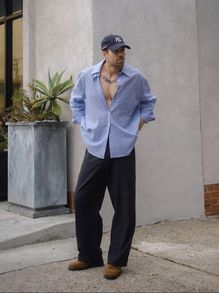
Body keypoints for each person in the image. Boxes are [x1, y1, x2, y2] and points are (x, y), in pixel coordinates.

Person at [68, 34, 156, 280]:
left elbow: (149, 102)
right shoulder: (87, 76)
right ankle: (89, 255)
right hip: (95, 147)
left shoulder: (135, 78)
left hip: (122, 149)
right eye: (116, 50)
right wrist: (85, 127)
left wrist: (135, 128)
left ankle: (115, 261)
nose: (121, 54)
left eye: (123, 50)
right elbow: (76, 103)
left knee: (124, 207)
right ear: (104, 52)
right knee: (84, 200)